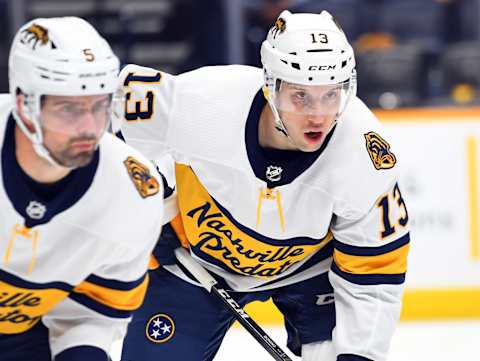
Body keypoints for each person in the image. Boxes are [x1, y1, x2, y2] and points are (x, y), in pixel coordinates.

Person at [116, 10, 410, 361]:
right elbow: (107, 122)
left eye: (331, 95)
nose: (318, 115)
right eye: (300, 96)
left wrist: (359, 356)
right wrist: (154, 204)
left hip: (310, 273)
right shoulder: (205, 100)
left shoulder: (365, 155)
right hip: (195, 263)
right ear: (270, 87)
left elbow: (376, 274)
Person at [0, 17, 165, 361]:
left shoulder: (133, 191)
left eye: (98, 106)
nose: (89, 128)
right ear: (23, 105)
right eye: (68, 109)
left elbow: (96, 312)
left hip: (20, 337)